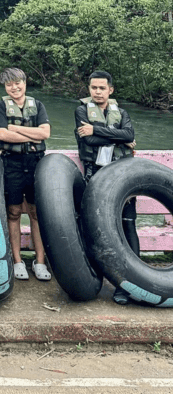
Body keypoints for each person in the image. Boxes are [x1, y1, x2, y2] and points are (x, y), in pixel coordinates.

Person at [74, 70, 137, 305]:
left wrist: (97, 130)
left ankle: (127, 286)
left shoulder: (122, 113)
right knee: (94, 227)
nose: (97, 92)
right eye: (93, 88)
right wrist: (119, 137)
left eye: (102, 88)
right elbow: (87, 140)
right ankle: (95, 277)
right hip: (96, 175)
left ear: (111, 90)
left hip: (122, 175)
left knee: (127, 224)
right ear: (89, 89)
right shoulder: (81, 111)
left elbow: (129, 133)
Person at [0, 68, 51, 281]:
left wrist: (15, 130)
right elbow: (1, 134)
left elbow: (45, 133)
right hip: (12, 164)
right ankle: (17, 261)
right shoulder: (1, 106)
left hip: (36, 163)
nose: (14, 88)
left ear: (25, 83)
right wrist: (32, 136)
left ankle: (40, 261)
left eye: (17, 83)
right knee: (14, 212)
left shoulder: (38, 106)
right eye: (9, 85)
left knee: (36, 212)